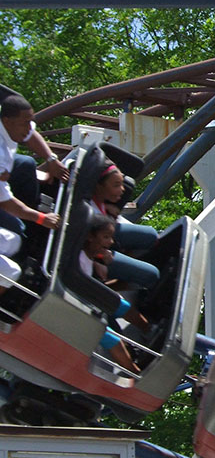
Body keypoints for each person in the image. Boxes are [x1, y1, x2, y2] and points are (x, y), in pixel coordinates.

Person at [80, 210, 150, 374]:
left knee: (122, 305)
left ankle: (149, 331)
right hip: (80, 306)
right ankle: (134, 372)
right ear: (91, 236)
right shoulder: (81, 261)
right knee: (111, 338)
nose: (111, 242)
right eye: (106, 237)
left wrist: (100, 261)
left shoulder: (90, 257)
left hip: (93, 297)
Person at [0, 92, 65, 248]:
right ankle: (30, 240)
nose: (29, 128)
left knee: (26, 163)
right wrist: (41, 218)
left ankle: (31, 210)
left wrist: (51, 160)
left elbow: (31, 134)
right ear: (6, 121)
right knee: (18, 231)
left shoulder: (13, 124)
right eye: (25, 123)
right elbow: (5, 201)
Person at [90, 163, 159, 295]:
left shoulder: (99, 201)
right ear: (99, 186)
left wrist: (107, 209)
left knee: (152, 236)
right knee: (152, 275)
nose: (121, 189)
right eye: (116, 185)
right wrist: (99, 257)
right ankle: (109, 287)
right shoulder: (90, 215)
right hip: (96, 255)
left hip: (105, 240)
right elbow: (78, 245)